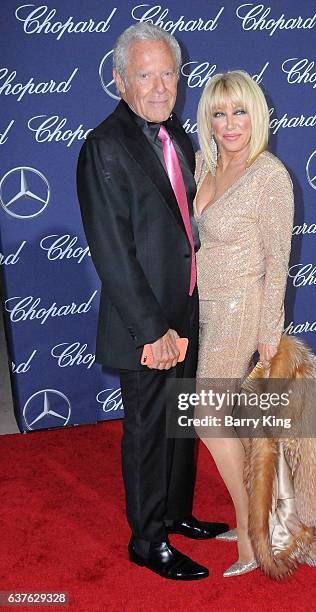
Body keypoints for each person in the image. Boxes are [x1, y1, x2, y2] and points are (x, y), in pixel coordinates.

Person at [76, 22, 228, 582]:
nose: (161, 87)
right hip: (147, 325)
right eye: (146, 75)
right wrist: (152, 331)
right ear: (120, 80)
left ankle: (176, 512)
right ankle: (147, 540)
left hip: (187, 308)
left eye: (169, 73)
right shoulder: (104, 147)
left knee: (180, 419)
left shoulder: (177, 136)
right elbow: (113, 253)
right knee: (147, 430)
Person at [194, 71, 294, 576]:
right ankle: (255, 520)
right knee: (224, 420)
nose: (230, 123)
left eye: (239, 111)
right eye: (219, 112)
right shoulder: (203, 166)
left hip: (240, 309)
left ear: (256, 114)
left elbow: (279, 261)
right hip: (203, 308)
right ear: (207, 120)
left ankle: (253, 536)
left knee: (207, 417)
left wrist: (269, 334)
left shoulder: (268, 174)